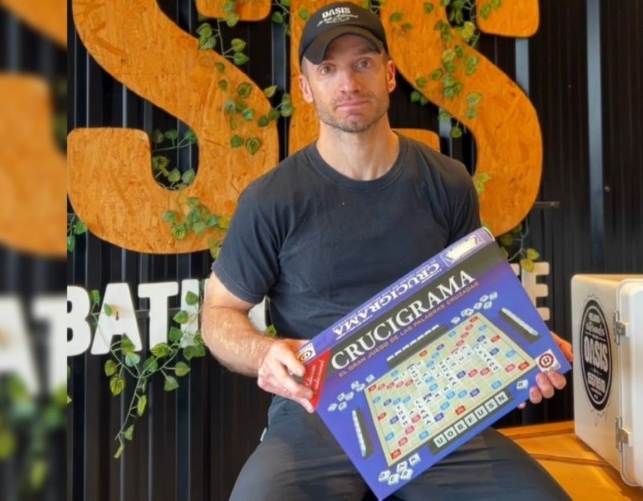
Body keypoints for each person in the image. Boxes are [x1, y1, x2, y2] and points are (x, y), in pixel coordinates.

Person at [201, 3, 571, 499]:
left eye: (363, 63)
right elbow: (218, 314)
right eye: (328, 69)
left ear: (390, 74)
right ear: (306, 88)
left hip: (433, 407)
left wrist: (525, 352)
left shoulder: (447, 181)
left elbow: (478, 301)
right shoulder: (271, 199)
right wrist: (264, 352)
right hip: (318, 412)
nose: (348, 83)